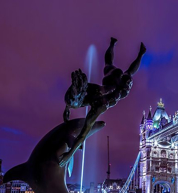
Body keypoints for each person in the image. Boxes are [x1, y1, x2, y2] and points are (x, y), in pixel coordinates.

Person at [59, 37, 146, 167]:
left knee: (126, 72)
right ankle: (118, 45)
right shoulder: (89, 88)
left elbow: (84, 133)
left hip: (119, 89)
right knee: (110, 65)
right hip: (109, 81)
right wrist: (67, 108)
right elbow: (74, 95)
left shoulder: (99, 105)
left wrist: (69, 154)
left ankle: (138, 52)